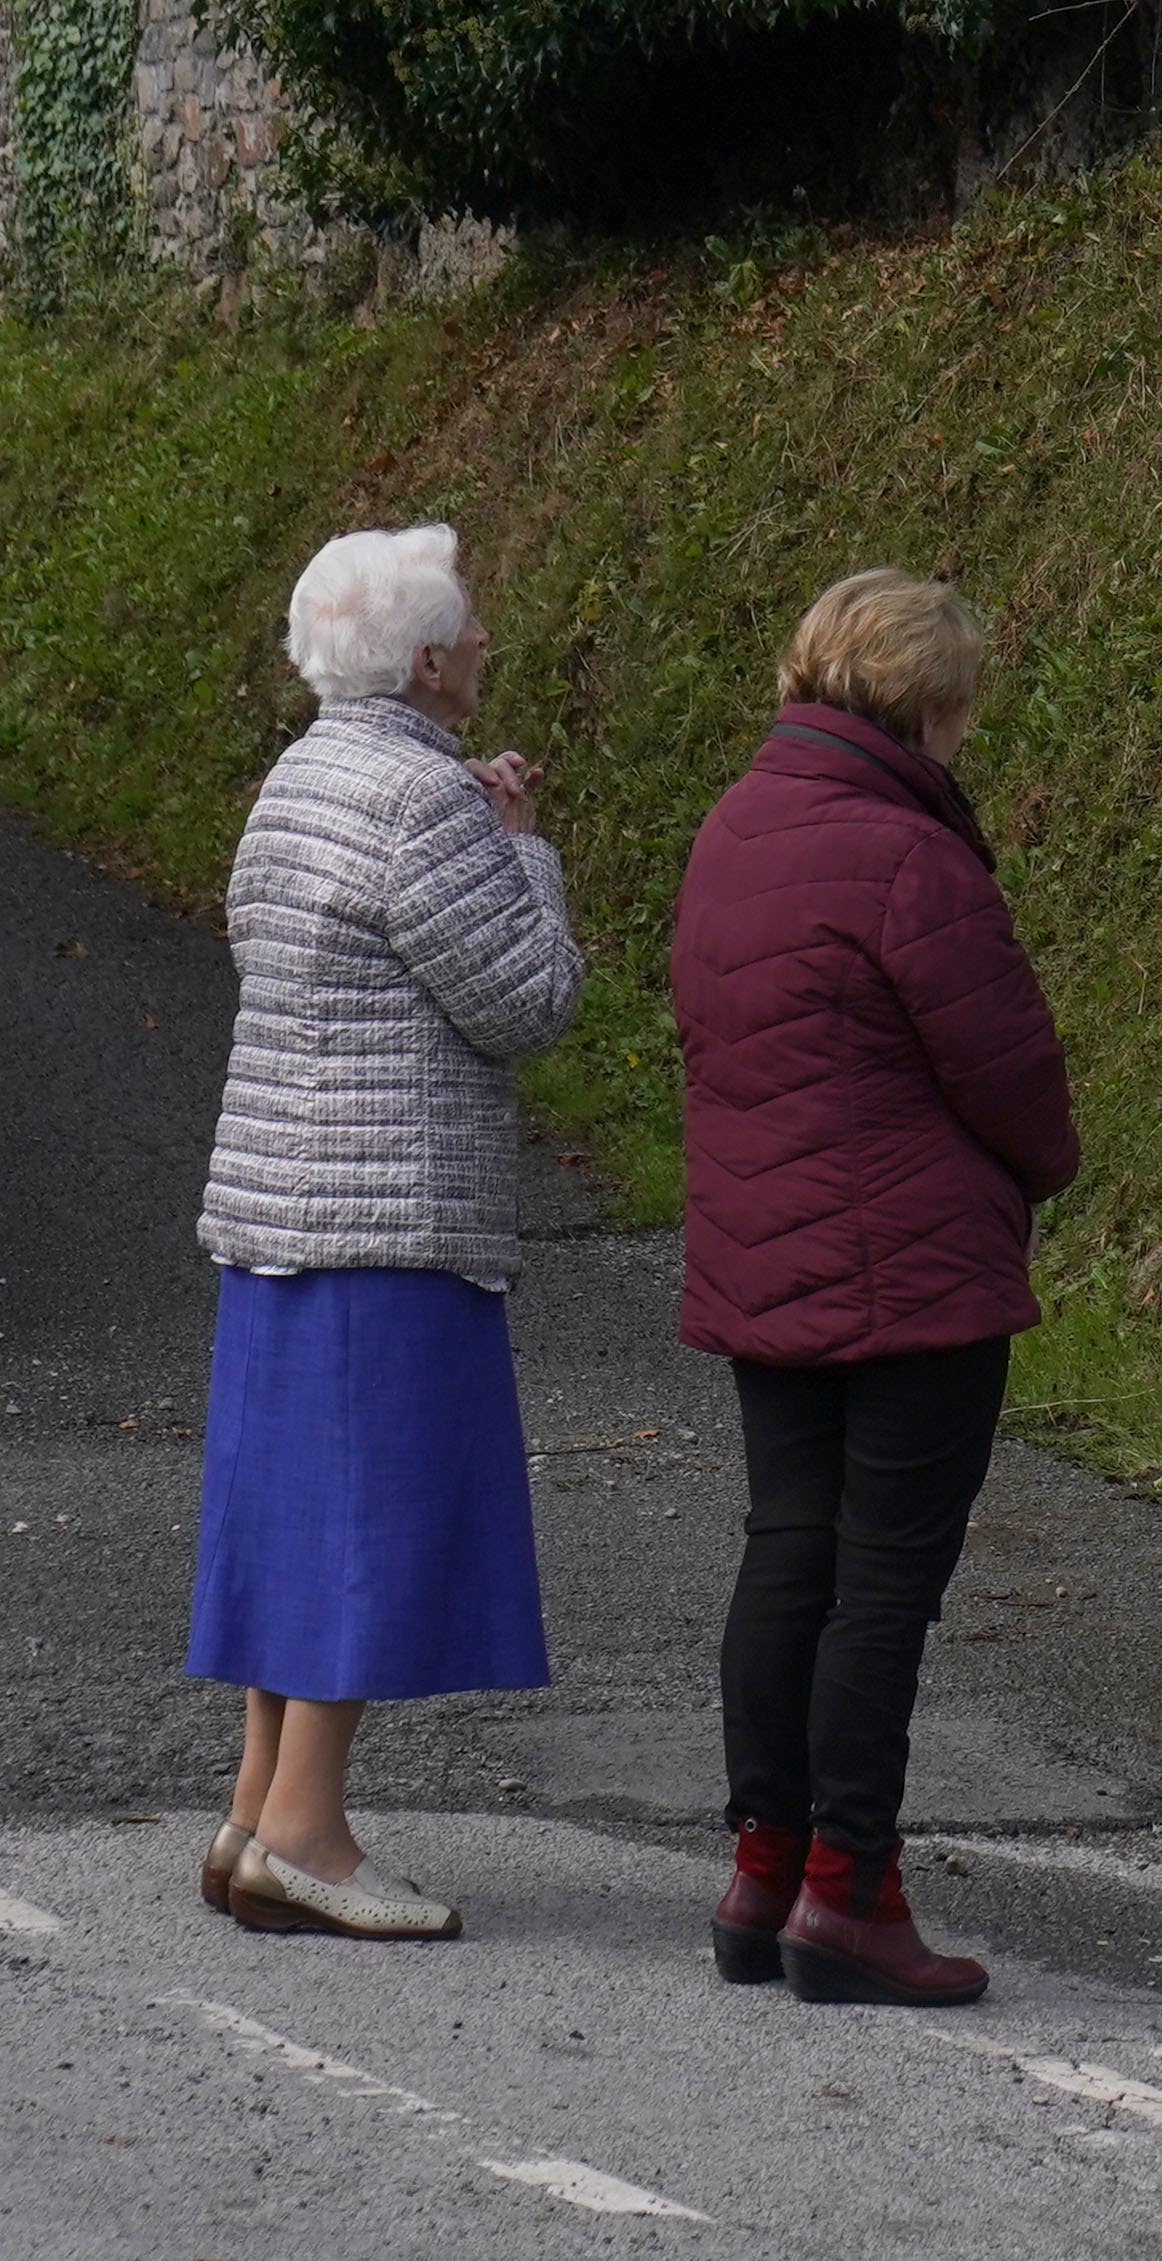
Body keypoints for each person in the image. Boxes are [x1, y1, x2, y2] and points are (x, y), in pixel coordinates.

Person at [671, 570, 1078, 2007]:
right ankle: (852, 1892)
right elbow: (1013, 1069)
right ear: (928, 704)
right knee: (883, 1581)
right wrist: (1045, 1168)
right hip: (911, 1274)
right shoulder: (910, 857)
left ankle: (762, 1868)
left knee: (787, 1547)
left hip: (758, 1252)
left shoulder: (732, 828)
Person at [192, 523, 585, 1940]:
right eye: (470, 626)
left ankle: (253, 1808)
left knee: (289, 1516)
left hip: (279, 1203)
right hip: (387, 1214)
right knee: (363, 1526)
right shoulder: (430, 809)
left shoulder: (300, 778)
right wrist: (525, 852)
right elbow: (528, 999)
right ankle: (307, 1832)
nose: (485, 642)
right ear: (427, 661)